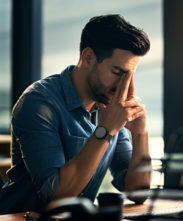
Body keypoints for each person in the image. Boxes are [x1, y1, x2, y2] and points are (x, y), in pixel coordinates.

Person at [0, 14, 151, 214]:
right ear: (88, 57)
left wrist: (140, 134)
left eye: (130, 75)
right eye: (117, 72)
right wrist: (105, 131)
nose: (123, 86)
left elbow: (137, 192)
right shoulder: (38, 103)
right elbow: (55, 196)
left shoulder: (109, 105)